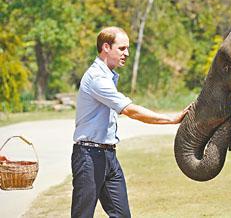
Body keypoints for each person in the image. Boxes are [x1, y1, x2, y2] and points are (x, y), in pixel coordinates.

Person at [71, 26, 190, 218]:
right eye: (122, 48)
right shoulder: (97, 78)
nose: (127, 53)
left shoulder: (108, 76)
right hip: (89, 157)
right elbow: (131, 111)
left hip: (108, 155)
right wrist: (171, 118)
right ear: (106, 47)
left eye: (127, 48)